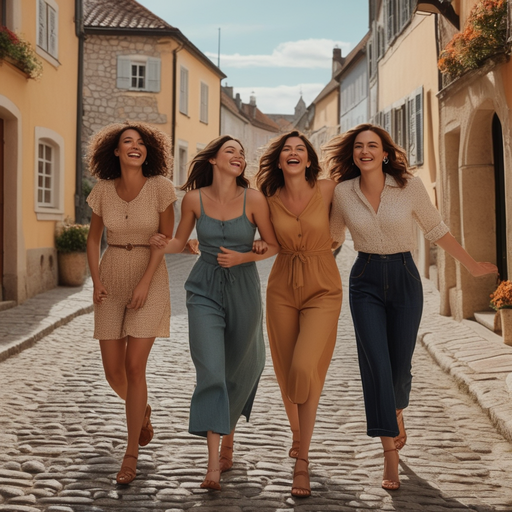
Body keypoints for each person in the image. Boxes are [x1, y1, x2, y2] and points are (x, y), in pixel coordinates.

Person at [324, 123, 498, 490]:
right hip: (364, 279)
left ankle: (397, 409)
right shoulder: (342, 192)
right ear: (353, 154)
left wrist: (471, 264)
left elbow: (436, 230)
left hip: (405, 277)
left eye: (373, 145)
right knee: (376, 364)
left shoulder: (409, 187)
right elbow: (333, 238)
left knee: (400, 368)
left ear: (385, 153)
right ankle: (390, 456)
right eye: (359, 146)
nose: (365, 151)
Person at [150, 135, 280, 491]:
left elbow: (273, 244)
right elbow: (180, 241)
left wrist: (247, 255)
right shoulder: (193, 199)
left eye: (241, 152)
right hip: (203, 288)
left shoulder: (254, 199)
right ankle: (211, 466)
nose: (238, 156)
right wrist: (164, 245)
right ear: (213, 160)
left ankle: (229, 437)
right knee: (210, 369)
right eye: (230, 151)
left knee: (241, 366)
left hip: (244, 289)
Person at [86, 122, 176, 485]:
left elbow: (164, 238)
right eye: (127, 142)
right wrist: (95, 280)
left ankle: (130, 455)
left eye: (140, 142)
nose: (135, 147)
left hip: (150, 275)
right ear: (116, 152)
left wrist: (144, 282)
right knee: (113, 372)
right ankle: (143, 411)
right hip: (111, 276)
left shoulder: (160, 187)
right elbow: (94, 240)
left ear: (148, 151)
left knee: (134, 366)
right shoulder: (103, 190)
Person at [255, 131, 342, 498]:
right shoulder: (267, 198)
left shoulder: (328, 189)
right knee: (287, 371)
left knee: (306, 367)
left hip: (323, 285)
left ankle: (302, 461)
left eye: (300, 150)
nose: (293, 153)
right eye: (287, 150)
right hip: (282, 288)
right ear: (279, 161)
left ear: (309, 160)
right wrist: (256, 243)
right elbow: (258, 235)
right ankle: (296, 431)